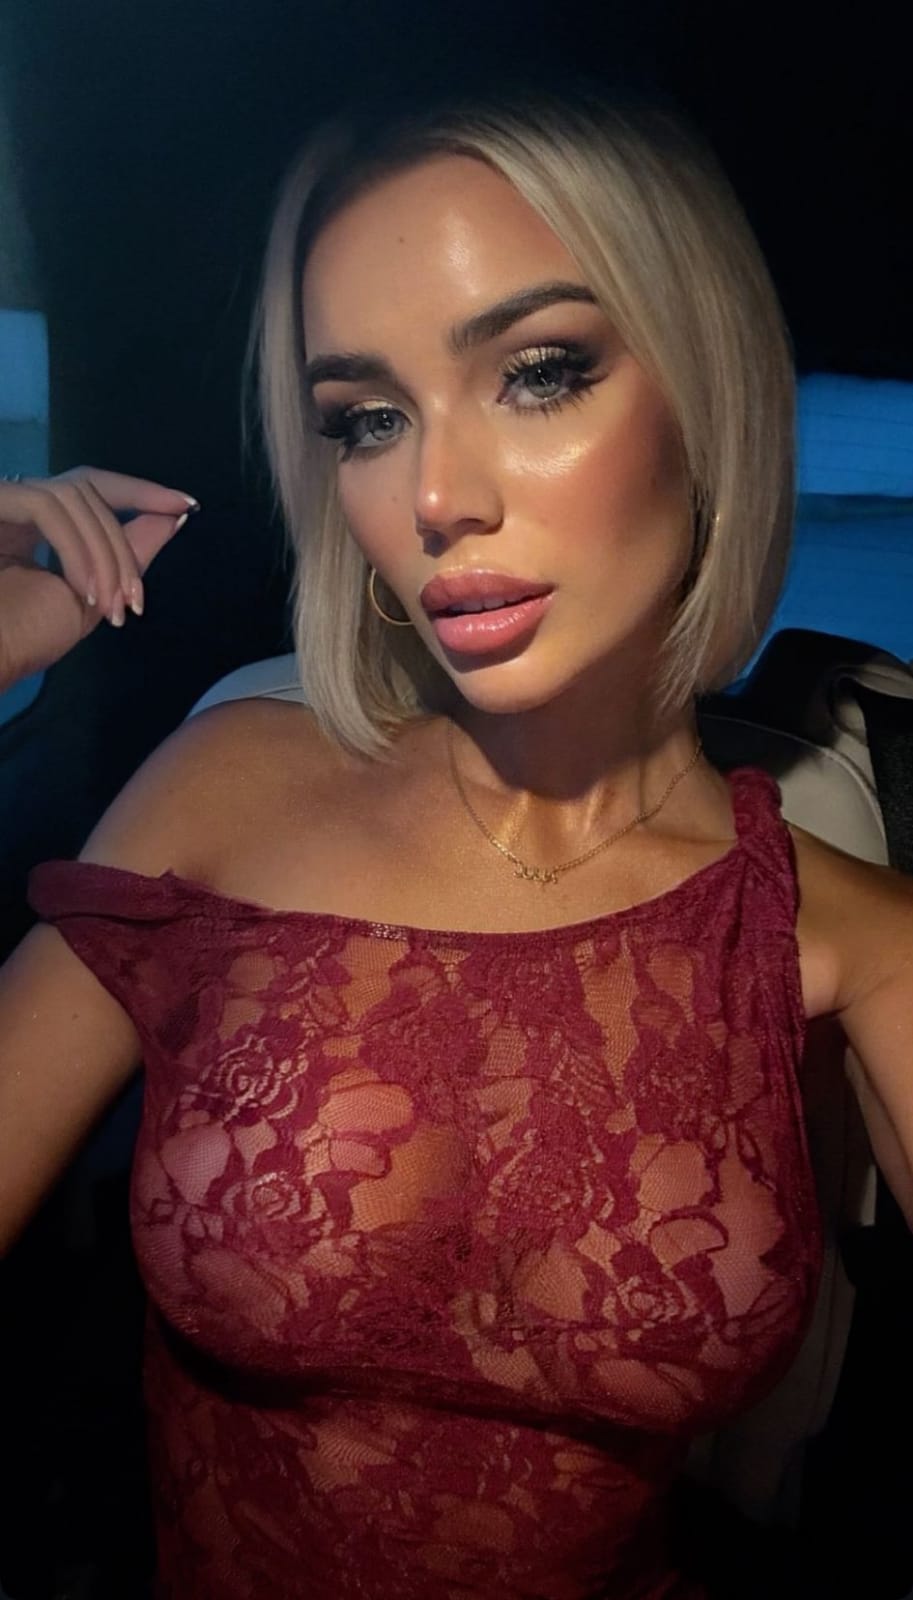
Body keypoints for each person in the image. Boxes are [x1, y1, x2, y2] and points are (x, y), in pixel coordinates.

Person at [1, 77, 911, 1600]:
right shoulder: (224, 791)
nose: (433, 497)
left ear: (709, 395)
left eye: (539, 374)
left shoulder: (854, 934)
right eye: (367, 420)